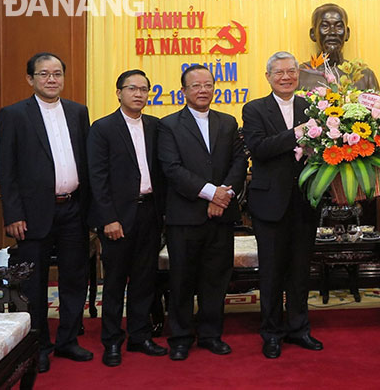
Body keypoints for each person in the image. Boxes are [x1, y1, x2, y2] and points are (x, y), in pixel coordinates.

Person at [0, 52, 92, 372]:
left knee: (74, 278)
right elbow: (7, 170)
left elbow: (87, 165)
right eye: (44, 74)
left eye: (57, 74)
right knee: (33, 283)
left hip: (73, 209)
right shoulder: (14, 115)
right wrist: (12, 214)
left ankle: (67, 341)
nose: (52, 79)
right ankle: (38, 345)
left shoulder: (79, 112)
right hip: (33, 214)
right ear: (30, 79)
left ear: (64, 77)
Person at [157, 64, 247, 361]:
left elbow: (238, 163)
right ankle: (181, 337)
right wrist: (211, 193)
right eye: (195, 85)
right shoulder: (168, 125)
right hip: (184, 217)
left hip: (220, 217)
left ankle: (211, 334)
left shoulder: (227, 122)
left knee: (216, 278)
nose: (202, 90)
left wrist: (222, 196)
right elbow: (172, 169)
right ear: (183, 91)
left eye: (207, 84)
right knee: (182, 279)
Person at [242, 51, 322, 359]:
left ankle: (299, 328)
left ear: (298, 75)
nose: (286, 77)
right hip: (269, 203)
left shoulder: (312, 106)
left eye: (291, 71)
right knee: (272, 271)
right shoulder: (254, 109)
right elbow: (259, 149)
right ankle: (271, 332)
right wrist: (298, 134)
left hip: (305, 201)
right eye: (279, 72)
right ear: (268, 77)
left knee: (301, 270)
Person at [87, 69, 168, 366]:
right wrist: (108, 218)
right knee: (115, 282)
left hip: (149, 213)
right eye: (132, 88)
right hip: (118, 218)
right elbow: (97, 177)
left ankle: (139, 336)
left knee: (145, 281)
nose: (138, 94)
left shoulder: (156, 126)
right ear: (118, 92)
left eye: (144, 89)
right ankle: (111, 341)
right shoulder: (103, 128)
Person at [298, 3, 380, 91]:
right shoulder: (299, 75)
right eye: (325, 26)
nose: (332, 32)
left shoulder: (364, 76)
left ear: (347, 34)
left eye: (339, 26)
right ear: (313, 34)